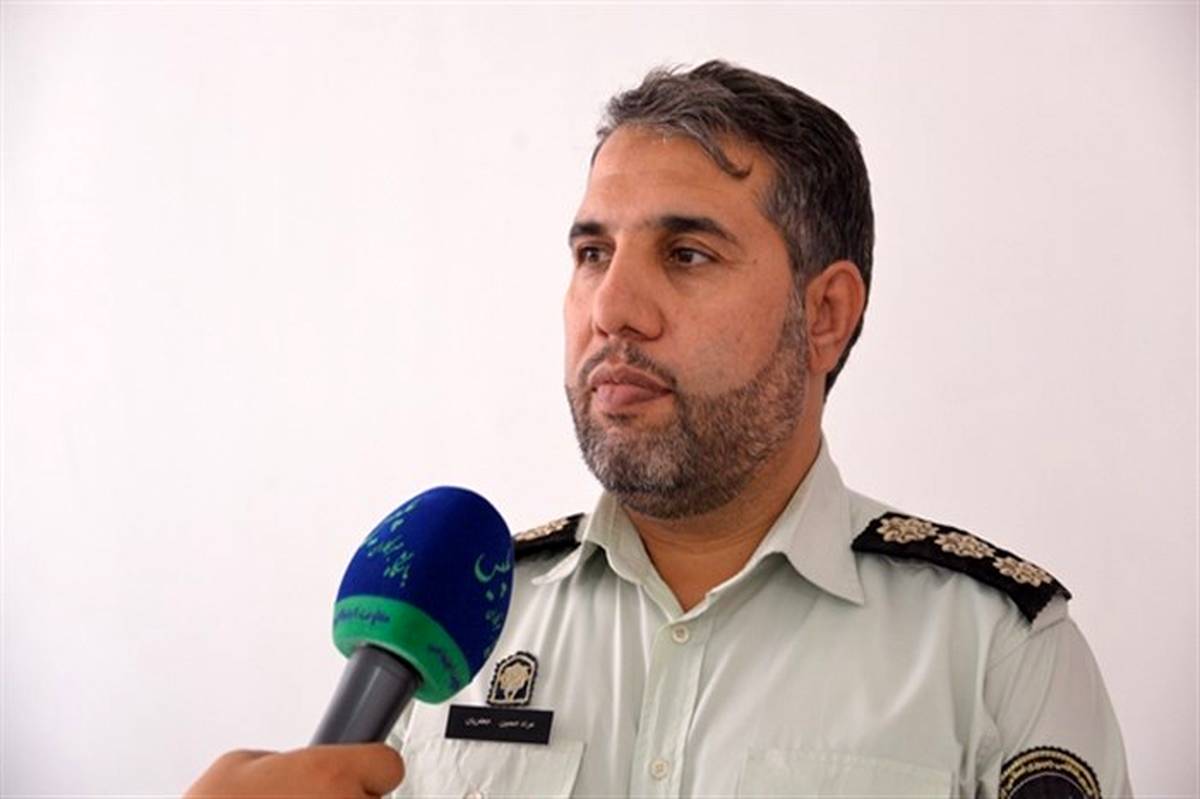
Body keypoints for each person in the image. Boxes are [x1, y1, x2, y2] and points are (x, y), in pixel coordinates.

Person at [187, 61, 1131, 798]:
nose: (613, 308)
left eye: (686, 254)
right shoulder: (457, 626)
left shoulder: (997, 651)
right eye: (592, 252)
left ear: (826, 314)